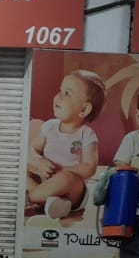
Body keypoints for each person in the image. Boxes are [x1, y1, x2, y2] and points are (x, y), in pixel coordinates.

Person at [26, 70, 106, 219]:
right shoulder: (49, 127)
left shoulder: (86, 134)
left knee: (66, 179)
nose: (59, 96)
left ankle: (29, 198)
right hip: (48, 182)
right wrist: (40, 161)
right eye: (60, 90)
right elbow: (32, 149)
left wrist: (63, 170)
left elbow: (89, 167)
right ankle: (49, 202)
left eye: (67, 93)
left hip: (73, 190)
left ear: (84, 109)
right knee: (22, 173)